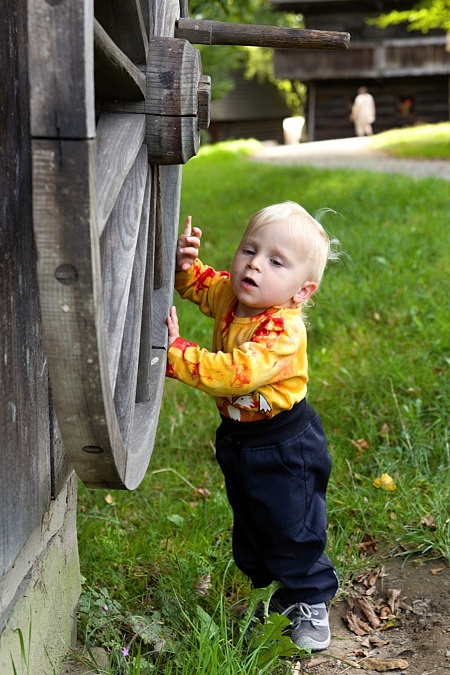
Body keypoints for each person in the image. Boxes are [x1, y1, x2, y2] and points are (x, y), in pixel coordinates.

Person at [166, 202, 339, 651]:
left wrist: (177, 352)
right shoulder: (234, 296)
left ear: (302, 291)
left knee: (290, 526)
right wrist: (185, 267)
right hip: (240, 438)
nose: (255, 265)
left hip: (284, 443)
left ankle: (310, 602)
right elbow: (201, 288)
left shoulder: (282, 331)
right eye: (249, 250)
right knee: (252, 525)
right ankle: (274, 594)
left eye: (275, 261)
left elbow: (234, 373)